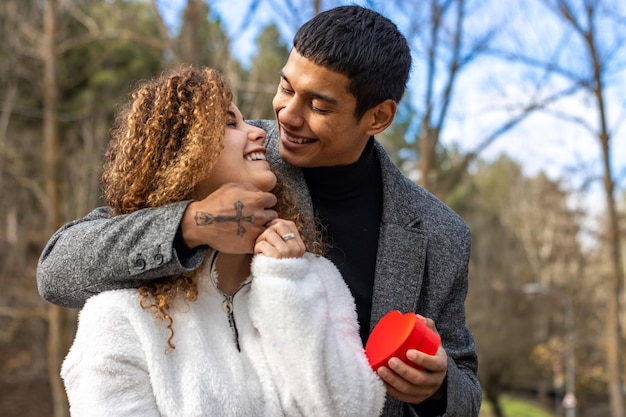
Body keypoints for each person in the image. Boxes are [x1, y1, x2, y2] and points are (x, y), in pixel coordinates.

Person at [38, 6, 481, 417]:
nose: (287, 114)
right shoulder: (229, 158)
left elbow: (465, 383)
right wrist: (196, 222)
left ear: (379, 117)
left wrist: (438, 387)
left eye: (319, 105)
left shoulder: (442, 236)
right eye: (286, 87)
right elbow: (59, 268)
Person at [59, 66, 386, 416]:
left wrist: (286, 286)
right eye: (231, 123)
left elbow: (352, 408)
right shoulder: (118, 316)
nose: (259, 133)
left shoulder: (314, 278)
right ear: (183, 155)